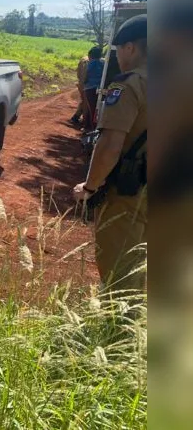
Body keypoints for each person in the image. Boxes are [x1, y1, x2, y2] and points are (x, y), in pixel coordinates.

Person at [73, 15, 147, 295]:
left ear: (130, 48)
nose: (118, 57)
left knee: (121, 272)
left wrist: (90, 187)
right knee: (143, 263)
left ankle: (117, 334)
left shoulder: (129, 85)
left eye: (118, 50)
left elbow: (109, 147)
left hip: (129, 194)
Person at [82, 46, 105, 131]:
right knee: (97, 108)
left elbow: (86, 75)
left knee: (91, 109)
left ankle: (92, 129)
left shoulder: (90, 63)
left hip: (90, 88)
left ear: (90, 55)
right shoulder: (103, 63)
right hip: (100, 88)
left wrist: (84, 82)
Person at [70, 55, 89, 126]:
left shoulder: (84, 59)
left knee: (84, 100)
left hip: (82, 83)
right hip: (88, 84)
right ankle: (85, 120)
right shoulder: (100, 62)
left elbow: (78, 74)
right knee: (86, 102)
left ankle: (76, 117)